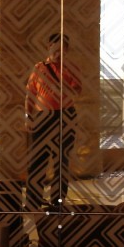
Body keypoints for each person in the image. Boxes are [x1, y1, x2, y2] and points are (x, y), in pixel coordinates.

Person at [24, 32, 82, 211]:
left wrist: (63, 87)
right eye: (55, 51)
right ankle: (32, 202)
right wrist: (28, 116)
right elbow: (30, 94)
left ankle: (57, 202)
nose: (58, 55)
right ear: (49, 47)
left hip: (66, 116)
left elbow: (78, 91)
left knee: (61, 161)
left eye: (62, 52)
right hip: (43, 117)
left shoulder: (71, 68)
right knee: (37, 160)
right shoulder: (39, 68)